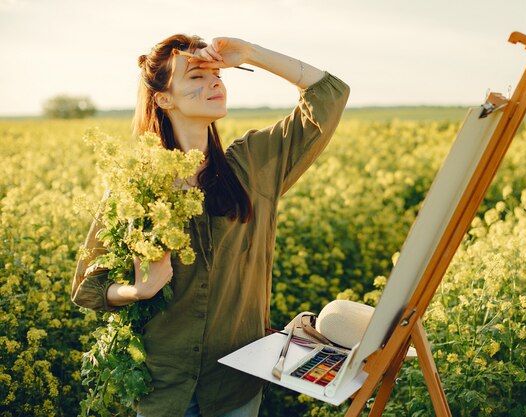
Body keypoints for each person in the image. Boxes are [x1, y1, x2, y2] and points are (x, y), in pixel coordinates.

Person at [71, 34, 349, 417]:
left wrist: (251, 53)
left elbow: (329, 94)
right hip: (163, 389)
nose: (215, 82)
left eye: (216, 74)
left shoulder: (252, 165)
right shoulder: (137, 187)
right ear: (164, 99)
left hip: (235, 386)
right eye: (196, 77)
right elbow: (88, 287)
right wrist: (136, 290)